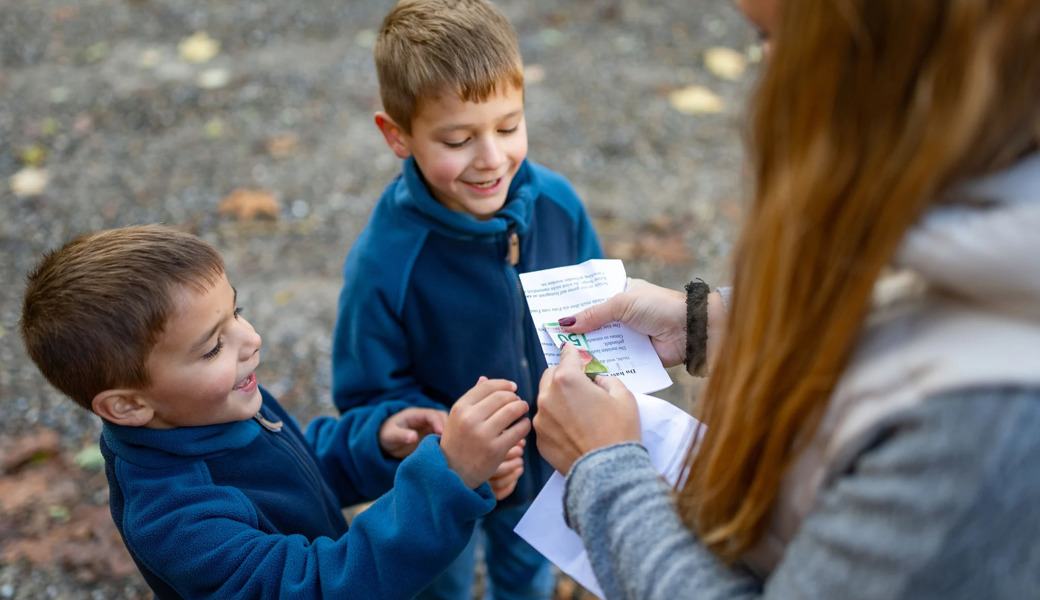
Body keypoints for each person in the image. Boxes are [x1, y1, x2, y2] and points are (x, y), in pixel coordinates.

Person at [534, 0, 1040, 598]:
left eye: (777, 37)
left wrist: (607, 469)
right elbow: (897, 302)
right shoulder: (960, 187)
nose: (767, 71)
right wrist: (706, 324)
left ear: (897, 55)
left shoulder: (986, 417)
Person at [19, 224, 532, 600]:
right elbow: (318, 586)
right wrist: (448, 479)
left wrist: (374, 447)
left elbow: (295, 469)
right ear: (129, 405)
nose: (251, 339)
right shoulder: (176, 522)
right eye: (211, 347)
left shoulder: (215, 409)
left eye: (236, 313)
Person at [330, 0, 603, 598]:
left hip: (542, 472)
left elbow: (596, 316)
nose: (491, 158)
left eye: (509, 127)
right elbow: (367, 398)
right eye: (458, 139)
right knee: (440, 584)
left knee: (527, 576)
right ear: (397, 135)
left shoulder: (558, 205)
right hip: (447, 487)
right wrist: (445, 450)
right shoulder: (386, 262)